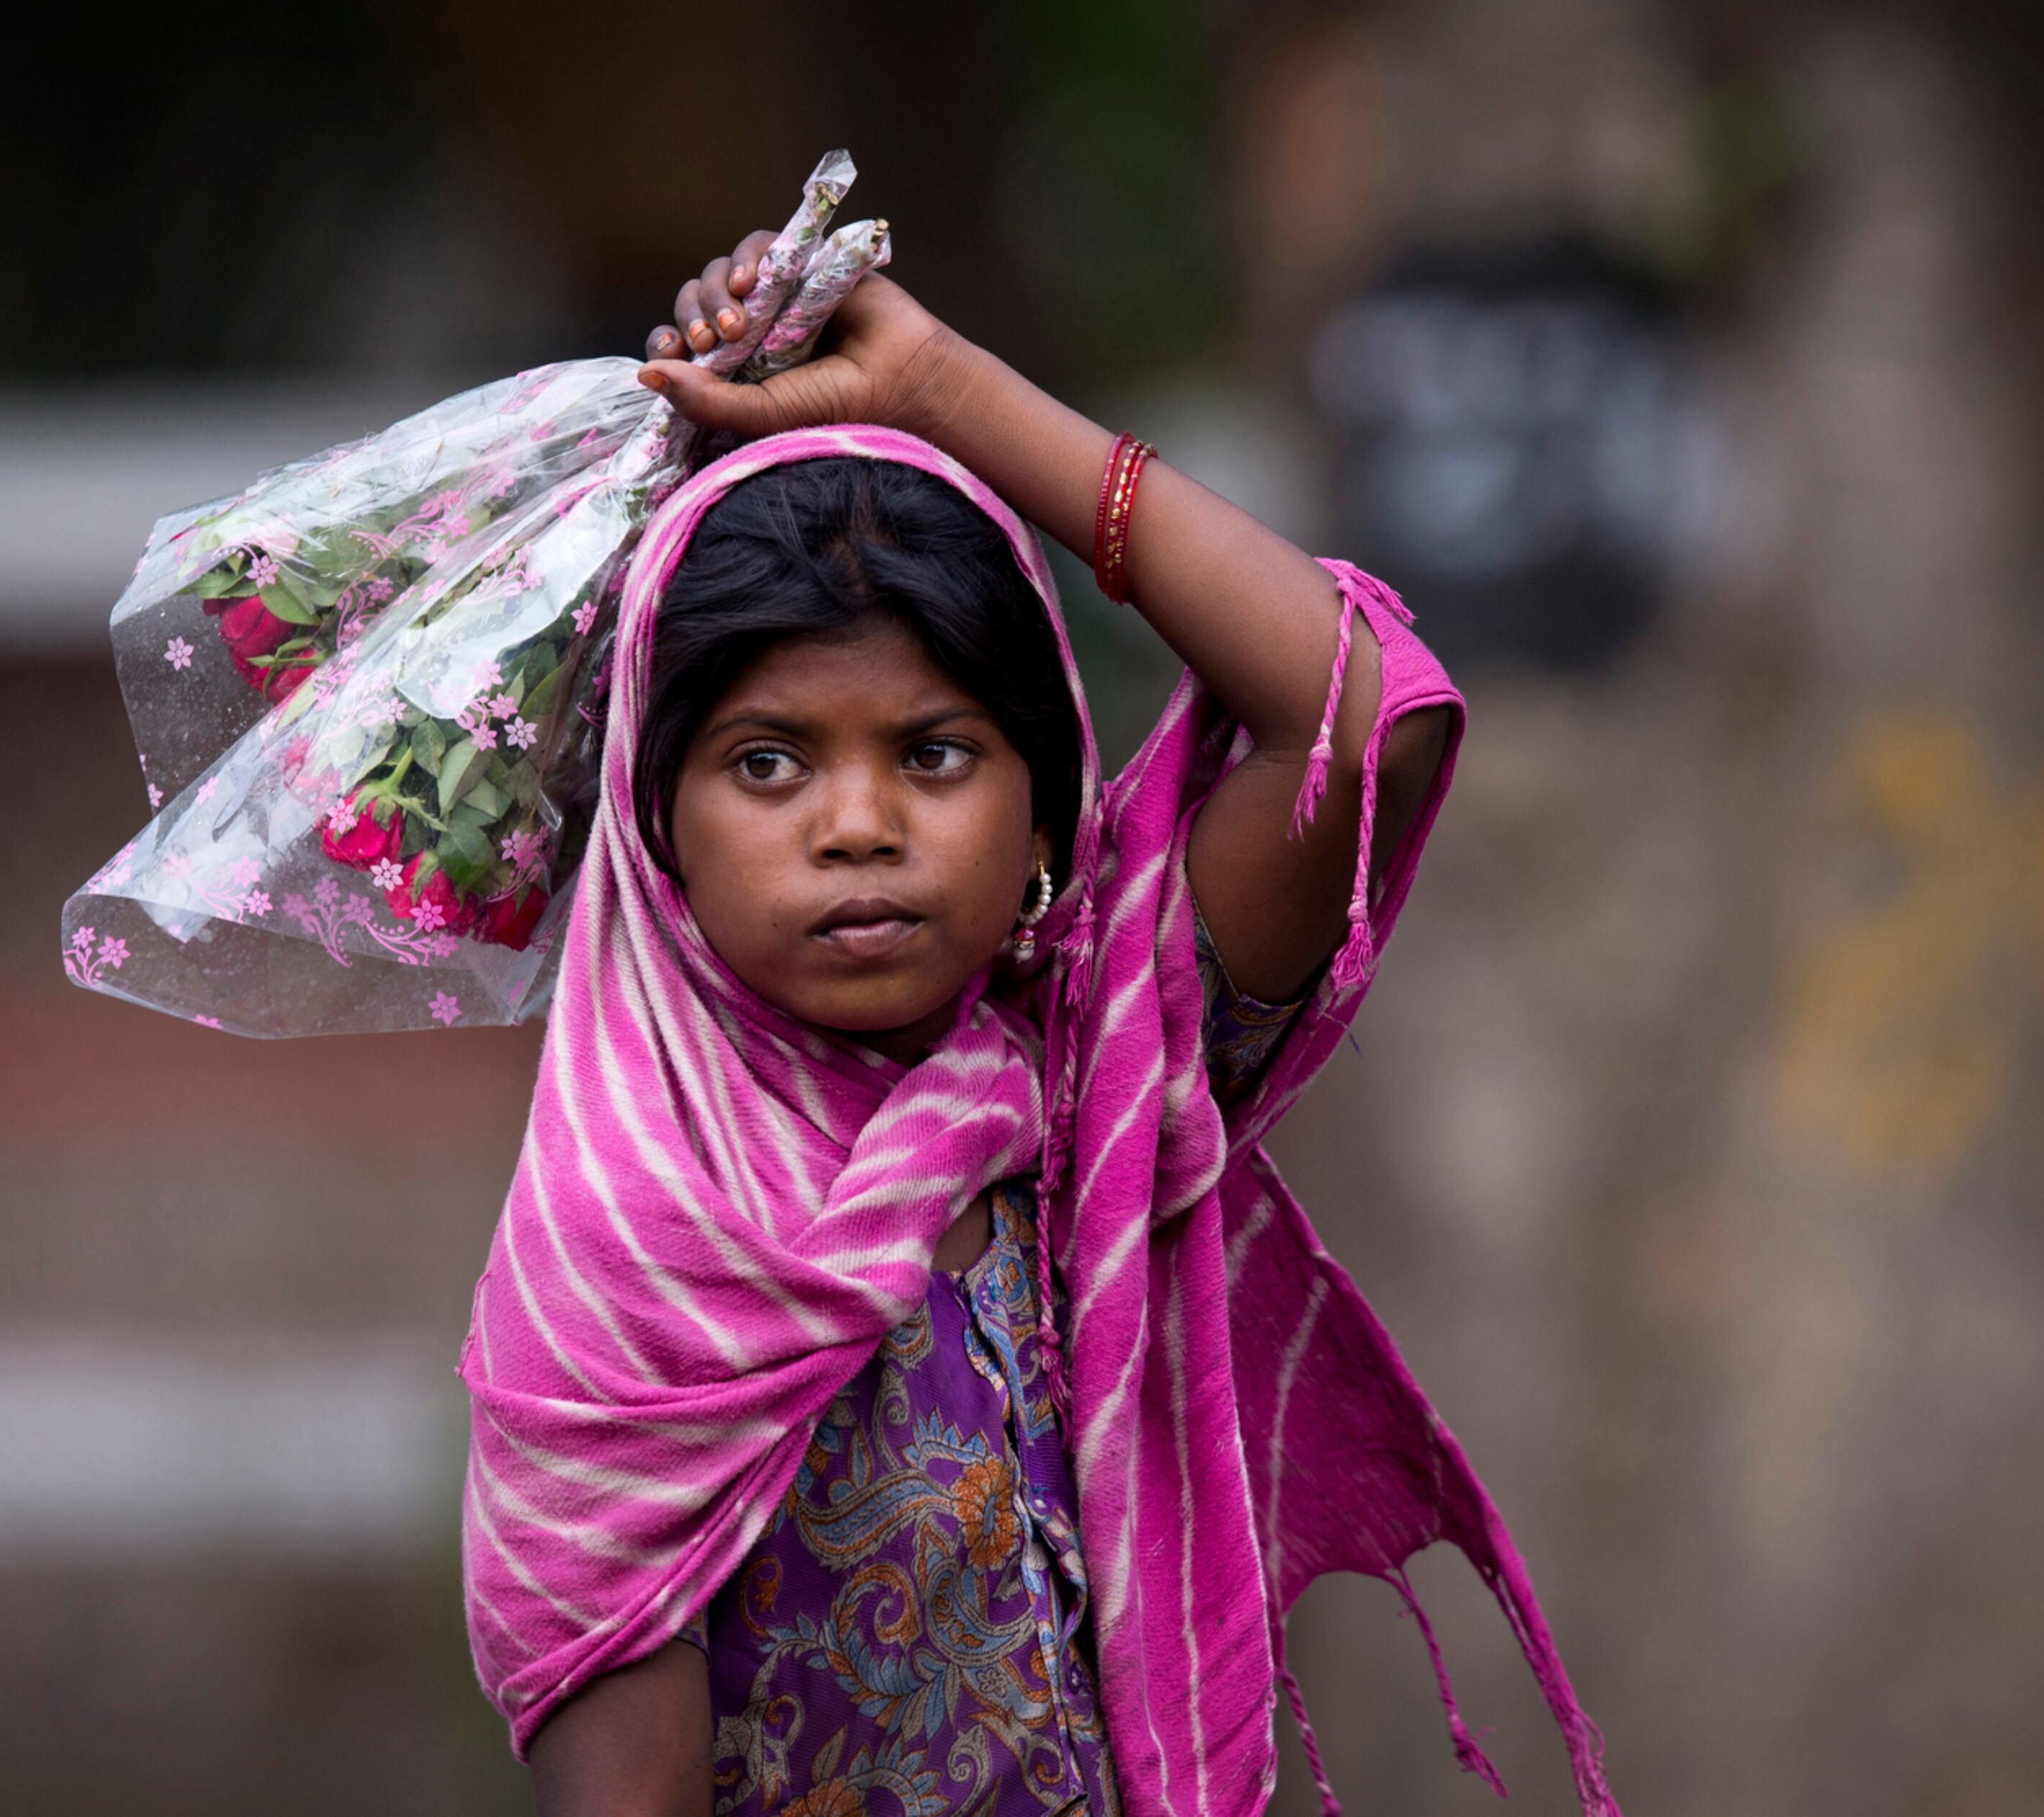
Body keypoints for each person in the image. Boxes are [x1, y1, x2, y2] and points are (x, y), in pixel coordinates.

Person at [459, 232, 1618, 1817]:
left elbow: (1364, 716)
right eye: (769, 763)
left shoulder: (1095, 1081)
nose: (856, 823)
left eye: (934, 754)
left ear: (1049, 818)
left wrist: (944, 391)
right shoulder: (623, 1260)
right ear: (656, 830)